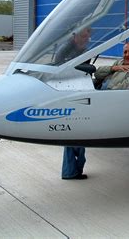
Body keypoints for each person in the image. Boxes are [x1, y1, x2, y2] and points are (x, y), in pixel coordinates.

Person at [55, 27, 91, 180]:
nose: (86, 39)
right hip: (70, 91)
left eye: (88, 36)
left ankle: (72, 170)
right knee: (75, 133)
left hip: (77, 88)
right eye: (83, 36)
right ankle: (70, 171)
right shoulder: (66, 49)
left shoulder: (83, 48)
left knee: (75, 135)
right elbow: (60, 67)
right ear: (75, 36)